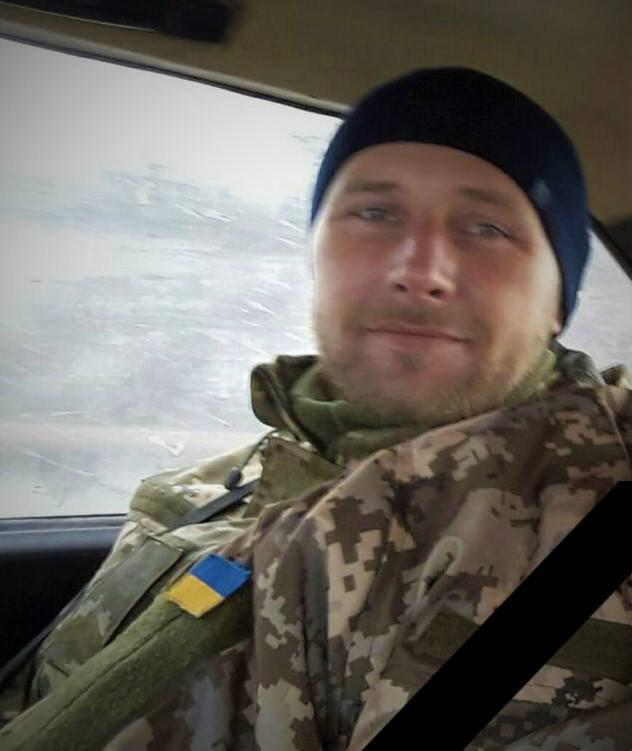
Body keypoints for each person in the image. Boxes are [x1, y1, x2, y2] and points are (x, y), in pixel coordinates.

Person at [1, 67, 631, 751]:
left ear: (559, 300)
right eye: (375, 213)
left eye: (487, 227)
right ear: (316, 254)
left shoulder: (580, 510)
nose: (419, 270)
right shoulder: (212, 487)